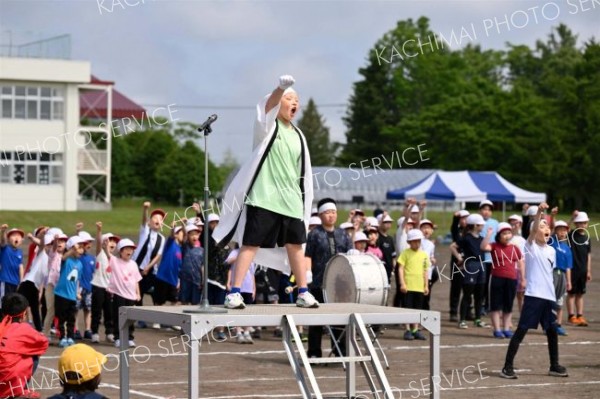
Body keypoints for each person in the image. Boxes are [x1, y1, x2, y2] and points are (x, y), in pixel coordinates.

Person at [213, 75, 317, 310]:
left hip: (290, 201)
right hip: (265, 198)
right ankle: (235, 292)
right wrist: (280, 88)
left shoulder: (299, 135)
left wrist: (302, 202)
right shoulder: (268, 128)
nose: (295, 103)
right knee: (250, 244)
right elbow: (266, 107)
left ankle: (303, 291)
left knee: (296, 246)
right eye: (290, 98)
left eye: (297, 100)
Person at [500, 202, 568, 379]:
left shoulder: (552, 250)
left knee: (552, 331)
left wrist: (548, 217)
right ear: (534, 230)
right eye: (541, 226)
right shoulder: (530, 247)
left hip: (549, 296)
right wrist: (540, 212)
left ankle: (554, 365)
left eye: (547, 226)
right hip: (534, 296)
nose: (545, 228)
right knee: (522, 329)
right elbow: (533, 230)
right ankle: (507, 367)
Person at [304, 198, 352, 358]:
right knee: (316, 319)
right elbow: (307, 256)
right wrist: (307, 273)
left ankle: (340, 352)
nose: (331, 216)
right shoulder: (314, 234)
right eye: (327, 212)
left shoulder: (343, 234)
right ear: (320, 214)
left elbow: (349, 254)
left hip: (339, 285)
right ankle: (314, 352)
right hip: (318, 283)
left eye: (333, 212)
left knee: (340, 319)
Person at [0, 293, 49, 399]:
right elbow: (43, 343)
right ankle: (19, 389)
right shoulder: (23, 329)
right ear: (23, 314)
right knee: (33, 354)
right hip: (7, 386)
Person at [481, 222, 524, 339]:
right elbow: (483, 247)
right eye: (504, 233)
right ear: (499, 235)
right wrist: (488, 235)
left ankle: (506, 329)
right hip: (497, 278)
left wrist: (523, 279)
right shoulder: (494, 246)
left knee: (508, 305)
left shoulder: (514, 247)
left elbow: (520, 263)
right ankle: (497, 329)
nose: (507, 236)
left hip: (512, 279)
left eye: (509, 233)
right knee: (495, 305)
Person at [451, 214, 488, 329]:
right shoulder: (466, 238)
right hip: (471, 266)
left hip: (481, 265)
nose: (482, 226)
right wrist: (459, 257)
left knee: (479, 294)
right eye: (481, 224)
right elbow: (453, 246)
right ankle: (462, 320)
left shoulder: (481, 238)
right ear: (475, 225)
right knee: (467, 293)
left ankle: (477, 319)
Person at [132, 202, 165, 329]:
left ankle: (156, 318)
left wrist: (148, 267)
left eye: (160, 219)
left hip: (150, 270)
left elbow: (158, 256)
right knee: (137, 293)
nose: (158, 220)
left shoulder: (161, 238)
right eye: (155, 218)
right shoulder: (145, 231)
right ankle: (140, 319)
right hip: (136, 267)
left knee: (154, 292)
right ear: (150, 222)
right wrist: (145, 209)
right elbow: (144, 219)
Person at [107, 239, 142, 348]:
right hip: (119, 295)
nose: (129, 251)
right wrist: (104, 243)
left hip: (131, 296)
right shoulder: (115, 261)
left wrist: (138, 293)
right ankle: (118, 338)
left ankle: (130, 338)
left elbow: (136, 280)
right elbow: (107, 253)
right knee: (118, 317)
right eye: (126, 249)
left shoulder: (133, 264)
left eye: (131, 249)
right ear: (120, 251)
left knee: (130, 318)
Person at [398, 229, 429, 341]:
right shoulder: (405, 253)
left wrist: (426, 286)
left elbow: (425, 271)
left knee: (418, 309)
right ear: (409, 242)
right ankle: (407, 329)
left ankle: (415, 330)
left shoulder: (424, 255)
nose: (416, 243)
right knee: (407, 308)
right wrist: (402, 283)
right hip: (408, 286)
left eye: (418, 241)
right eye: (414, 241)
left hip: (419, 287)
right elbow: (400, 268)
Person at [17, 227, 50, 332]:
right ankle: (13, 328)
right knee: (19, 307)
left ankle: (39, 331)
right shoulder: (40, 252)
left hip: (35, 286)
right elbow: (41, 244)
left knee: (35, 310)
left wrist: (40, 289)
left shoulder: (50, 259)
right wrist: (41, 235)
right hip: (27, 283)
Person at [90, 222, 119, 344]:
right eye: (108, 241)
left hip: (109, 289)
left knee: (110, 312)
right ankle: (95, 332)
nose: (111, 243)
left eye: (113, 241)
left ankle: (109, 333)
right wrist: (99, 230)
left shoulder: (115, 259)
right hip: (98, 286)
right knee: (96, 311)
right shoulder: (100, 253)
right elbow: (98, 242)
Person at [55, 236, 85, 348]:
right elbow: (63, 258)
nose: (81, 250)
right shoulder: (66, 260)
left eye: (82, 248)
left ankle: (70, 337)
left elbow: (77, 280)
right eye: (79, 248)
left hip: (72, 296)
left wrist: (77, 292)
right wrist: (72, 249)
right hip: (61, 294)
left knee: (71, 319)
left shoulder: (80, 264)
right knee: (61, 319)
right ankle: (62, 337)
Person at [566, 210, 592, 327]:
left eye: (584, 223)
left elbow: (588, 255)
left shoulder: (587, 238)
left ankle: (580, 315)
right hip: (572, 269)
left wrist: (588, 270)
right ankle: (571, 315)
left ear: (587, 224)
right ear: (576, 224)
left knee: (580, 294)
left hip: (582, 270)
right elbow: (564, 229)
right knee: (571, 293)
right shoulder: (571, 235)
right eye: (579, 223)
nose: (582, 225)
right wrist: (572, 218)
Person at [549, 220, 572, 336]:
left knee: (559, 302)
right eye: (560, 230)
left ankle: (558, 325)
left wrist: (569, 281)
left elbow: (568, 267)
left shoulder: (567, 248)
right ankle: (549, 325)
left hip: (562, 275)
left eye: (564, 230)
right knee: (550, 300)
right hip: (552, 273)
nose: (562, 233)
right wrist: (552, 216)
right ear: (555, 231)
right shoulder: (551, 242)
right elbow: (551, 227)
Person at [154, 224, 184, 308]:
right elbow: (171, 236)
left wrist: (178, 281)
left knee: (174, 302)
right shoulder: (170, 244)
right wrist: (173, 228)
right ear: (177, 234)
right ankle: (157, 320)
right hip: (163, 278)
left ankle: (170, 321)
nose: (183, 235)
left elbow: (179, 267)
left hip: (173, 281)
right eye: (182, 233)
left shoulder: (180, 249)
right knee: (159, 303)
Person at [75, 229, 95, 340]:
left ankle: (87, 329)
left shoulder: (92, 258)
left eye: (90, 242)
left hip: (89, 287)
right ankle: (76, 329)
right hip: (78, 287)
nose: (89, 245)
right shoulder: (77, 257)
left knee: (88, 309)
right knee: (76, 309)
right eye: (87, 242)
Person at [448, 210, 469, 321]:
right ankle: (453, 312)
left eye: (466, 218)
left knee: (469, 288)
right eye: (462, 218)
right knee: (456, 288)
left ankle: (468, 312)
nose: (464, 220)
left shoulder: (471, 232)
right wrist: (455, 218)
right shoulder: (457, 232)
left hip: (469, 263)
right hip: (457, 263)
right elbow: (454, 229)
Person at [478, 200, 498, 314]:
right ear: (480, 210)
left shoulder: (495, 223)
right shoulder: (477, 222)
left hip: (492, 258)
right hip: (481, 258)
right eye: (484, 209)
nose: (486, 212)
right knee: (482, 283)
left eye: (489, 210)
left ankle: (488, 305)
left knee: (492, 283)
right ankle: (480, 304)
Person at [0, 225, 25, 317]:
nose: (16, 238)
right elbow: (2, 241)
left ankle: (8, 325)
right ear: (8, 238)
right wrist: (3, 231)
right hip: (5, 280)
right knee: (4, 302)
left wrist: (21, 281)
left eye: (19, 236)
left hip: (15, 282)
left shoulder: (19, 252)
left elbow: (20, 266)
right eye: (13, 235)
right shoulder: (5, 248)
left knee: (12, 304)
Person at [419, 219, 438, 311]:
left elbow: (431, 256)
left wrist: (433, 259)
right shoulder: (418, 241)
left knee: (426, 297)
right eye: (424, 228)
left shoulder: (431, 244)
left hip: (428, 273)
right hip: (418, 272)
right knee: (419, 296)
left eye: (428, 228)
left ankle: (425, 317)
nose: (426, 230)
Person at [376, 213, 396, 284]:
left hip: (388, 270)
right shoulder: (377, 237)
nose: (388, 224)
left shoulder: (390, 239)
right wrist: (382, 219)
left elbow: (393, 256)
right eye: (385, 222)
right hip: (380, 270)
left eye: (389, 222)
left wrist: (394, 268)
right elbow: (376, 229)